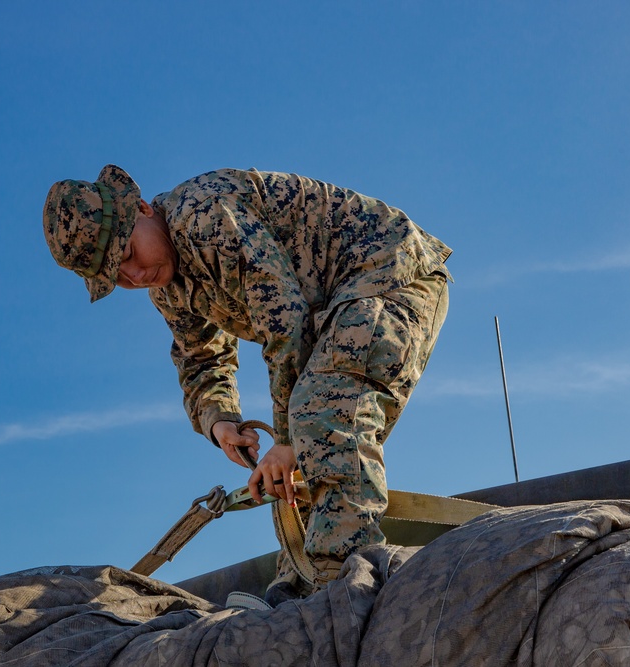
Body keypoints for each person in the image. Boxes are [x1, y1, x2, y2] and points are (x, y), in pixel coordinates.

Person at [43, 165, 452, 602]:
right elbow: (201, 360)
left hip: (388, 274)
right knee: (309, 442)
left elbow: (286, 320)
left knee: (323, 412)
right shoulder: (169, 287)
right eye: (117, 278)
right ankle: (303, 574)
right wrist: (220, 422)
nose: (135, 276)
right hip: (330, 314)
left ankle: (342, 581)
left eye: (127, 255)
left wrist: (286, 439)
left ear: (142, 210)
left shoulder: (203, 215)